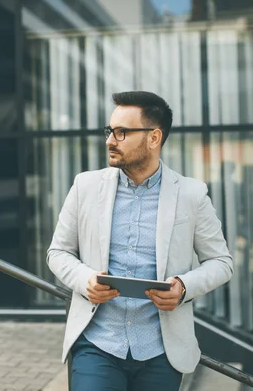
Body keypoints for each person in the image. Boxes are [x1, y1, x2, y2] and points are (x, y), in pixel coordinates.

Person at [47, 91, 233, 391]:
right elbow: (58, 252)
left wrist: (183, 287)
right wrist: (85, 280)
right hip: (97, 345)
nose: (110, 140)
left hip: (161, 351)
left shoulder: (191, 195)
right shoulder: (85, 186)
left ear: (154, 137)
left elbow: (222, 263)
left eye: (122, 132)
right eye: (110, 131)